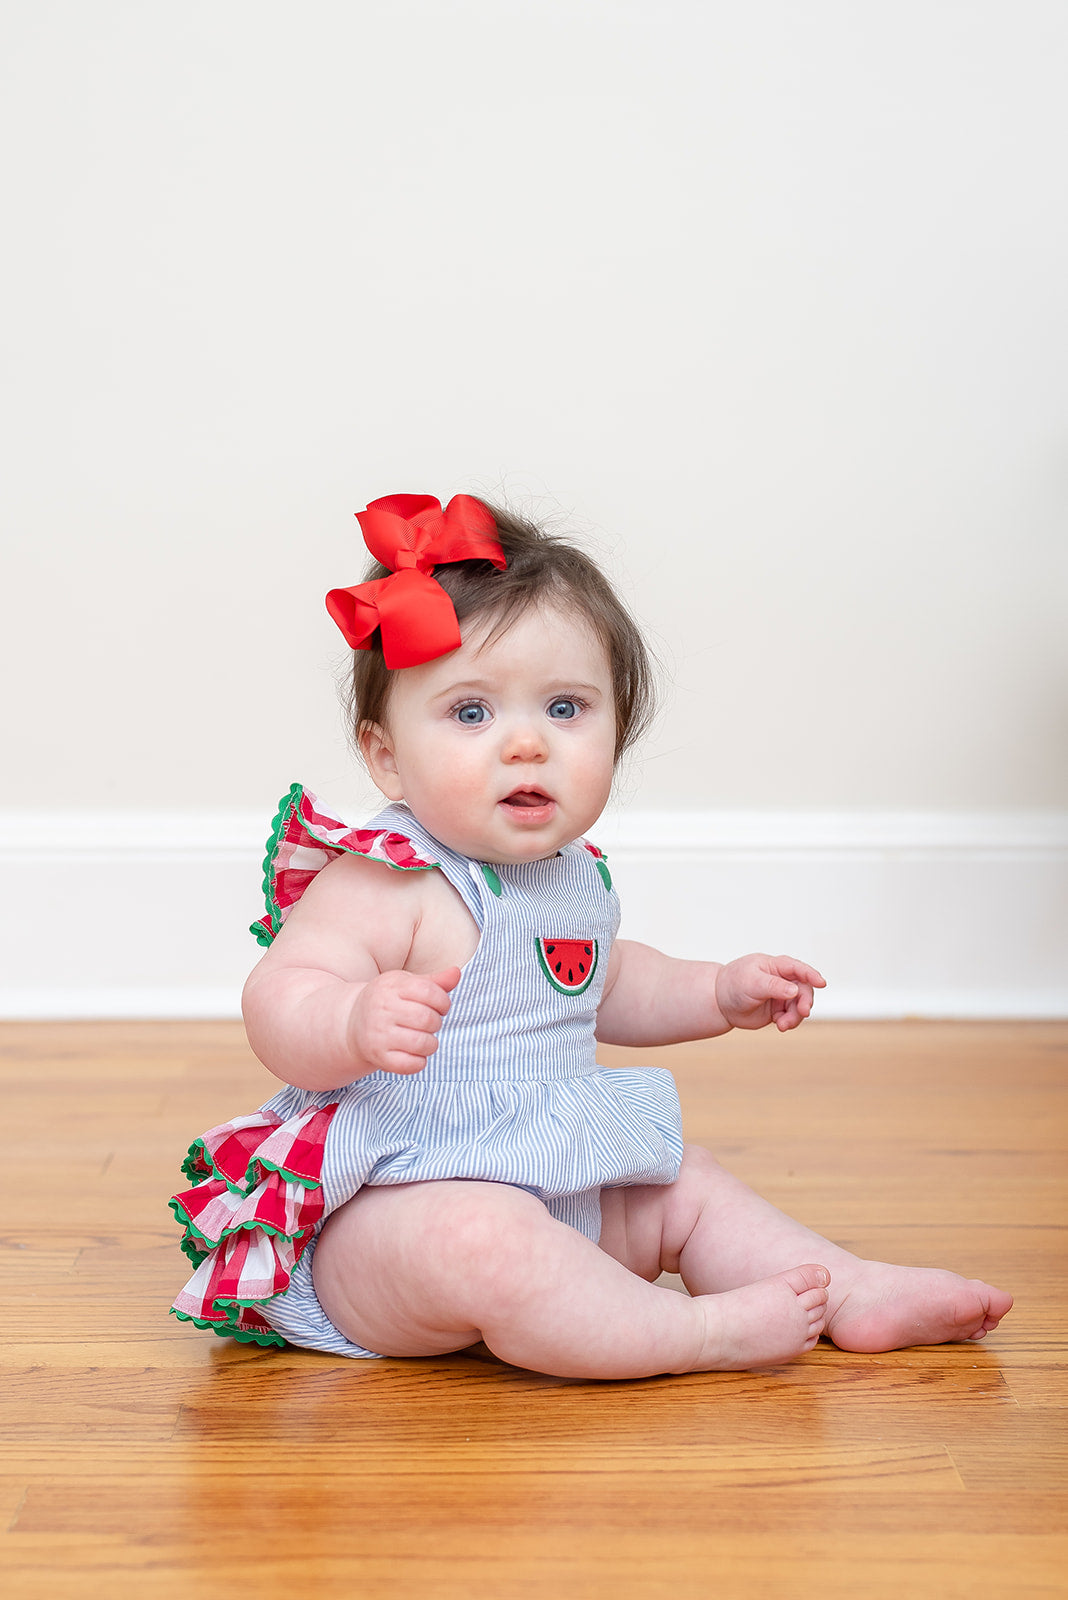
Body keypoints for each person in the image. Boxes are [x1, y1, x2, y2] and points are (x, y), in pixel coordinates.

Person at [169, 492, 1013, 1378]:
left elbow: (606, 984)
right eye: (470, 714)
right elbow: (279, 996)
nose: (527, 744)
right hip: (395, 1217)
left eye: (566, 709)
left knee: (686, 1184)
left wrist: (718, 991)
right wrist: (348, 1021)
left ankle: (846, 1287)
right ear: (385, 755)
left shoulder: (571, 877)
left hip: (560, 1177)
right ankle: (695, 1335)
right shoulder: (385, 878)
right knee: (483, 1238)